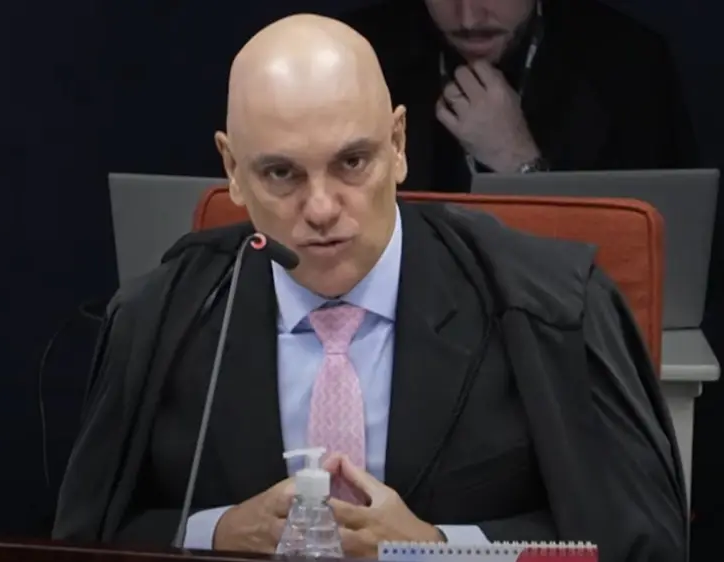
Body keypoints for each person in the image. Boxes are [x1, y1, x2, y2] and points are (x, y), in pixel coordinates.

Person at [52, 13, 687, 562]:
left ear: (398, 144)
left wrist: (436, 549)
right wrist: (214, 534)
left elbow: (643, 544)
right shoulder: (160, 318)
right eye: (281, 174)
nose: (322, 208)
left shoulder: (549, 306)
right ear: (233, 170)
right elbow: (82, 539)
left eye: (352, 162)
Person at [337, 0, 699, 192]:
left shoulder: (629, 62)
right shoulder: (354, 53)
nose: (468, 17)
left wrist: (518, 161)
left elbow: (645, 260)